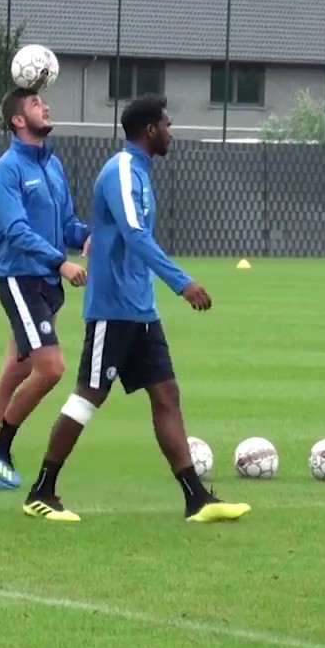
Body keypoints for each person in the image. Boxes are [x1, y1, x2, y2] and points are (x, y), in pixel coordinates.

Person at [20, 94, 250, 524]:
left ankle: (196, 499)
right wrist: (182, 283)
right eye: (166, 124)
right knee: (89, 397)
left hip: (141, 311)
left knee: (167, 396)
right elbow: (135, 235)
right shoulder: (122, 171)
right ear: (149, 130)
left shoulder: (141, 172)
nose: (170, 131)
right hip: (113, 310)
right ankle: (42, 491)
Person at [0, 87, 89, 490]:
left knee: (12, 375)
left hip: (47, 284)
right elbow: (15, 231)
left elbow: (66, 223)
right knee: (50, 368)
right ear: (17, 120)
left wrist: (88, 237)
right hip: (22, 280)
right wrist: (61, 261)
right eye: (35, 104)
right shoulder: (8, 169)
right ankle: (1, 444)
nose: (45, 106)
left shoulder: (52, 165)